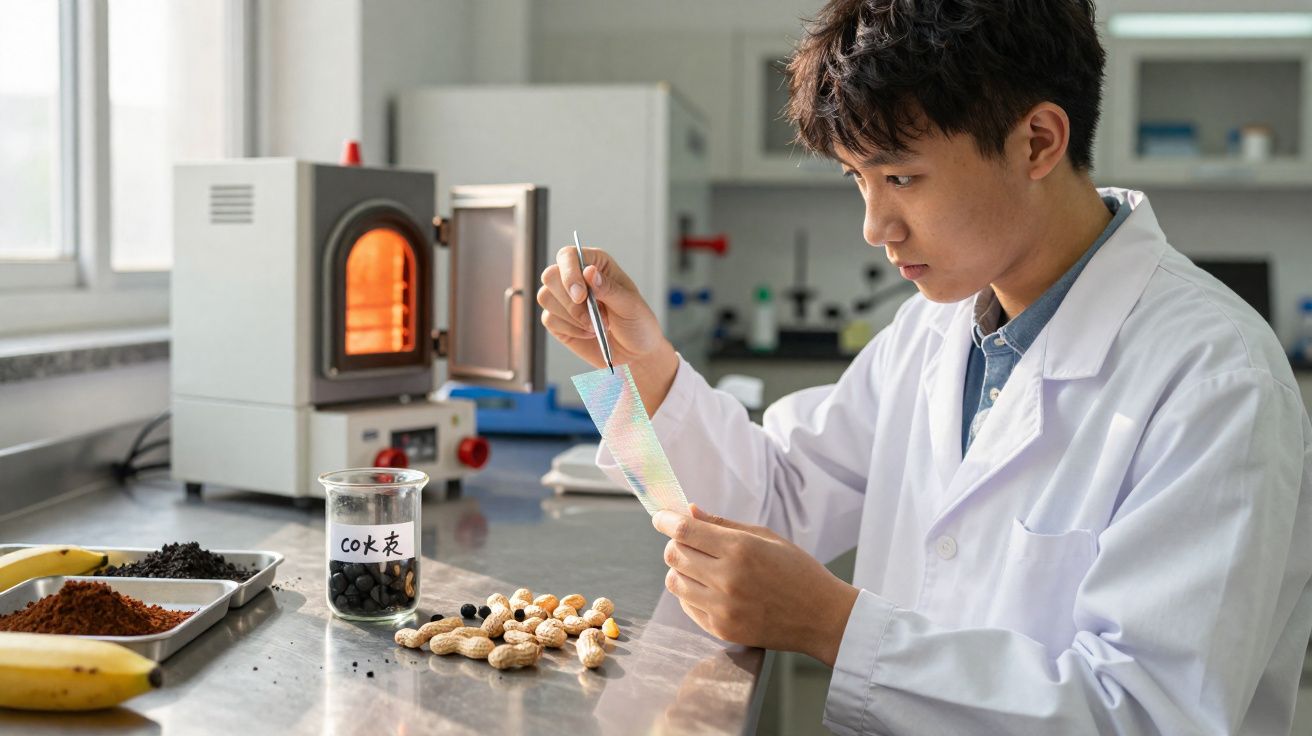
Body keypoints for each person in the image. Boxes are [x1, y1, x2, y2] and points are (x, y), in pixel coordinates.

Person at [536, 0, 1312, 732]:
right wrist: (640, 374)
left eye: (901, 177)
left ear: (1038, 141)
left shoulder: (1216, 379)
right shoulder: (934, 330)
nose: (876, 226)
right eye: (858, 180)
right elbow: (767, 506)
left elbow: (1145, 712)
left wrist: (835, 627)